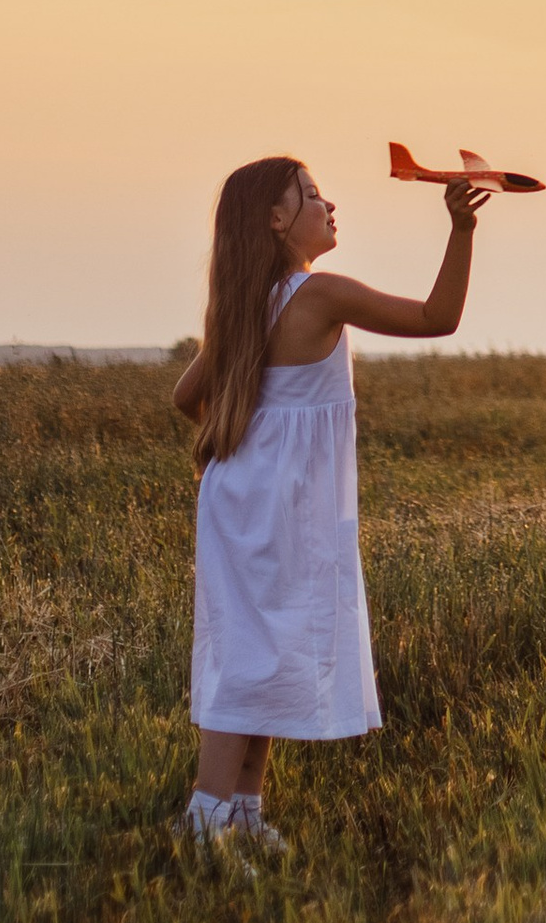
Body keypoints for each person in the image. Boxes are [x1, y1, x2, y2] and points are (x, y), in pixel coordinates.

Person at [172, 155, 483, 847]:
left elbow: (186, 399)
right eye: (310, 196)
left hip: (245, 498)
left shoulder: (247, 304)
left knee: (268, 647)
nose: (327, 204)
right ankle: (204, 820)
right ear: (276, 221)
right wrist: (461, 230)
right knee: (254, 656)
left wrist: (250, 440)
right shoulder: (317, 296)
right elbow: (437, 318)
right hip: (283, 506)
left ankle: (243, 814)